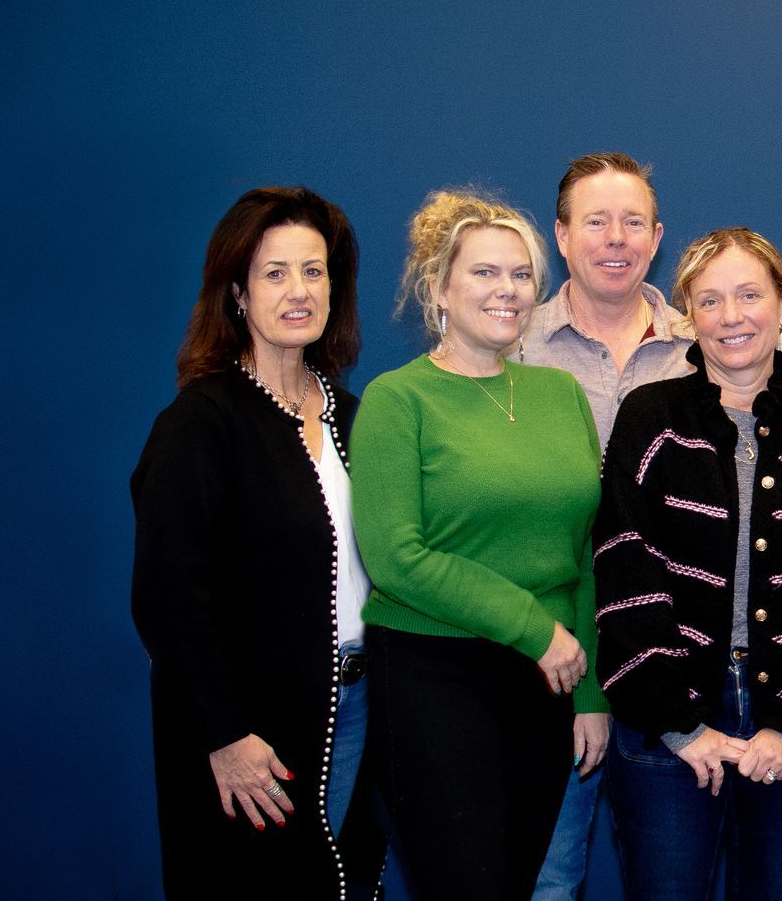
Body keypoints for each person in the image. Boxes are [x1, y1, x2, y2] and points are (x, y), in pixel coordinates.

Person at [595, 228, 782, 900]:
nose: (731, 317)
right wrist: (677, 724)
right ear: (688, 316)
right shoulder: (648, 419)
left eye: (750, 295)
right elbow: (624, 567)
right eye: (710, 300)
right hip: (668, 723)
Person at [132, 186, 384, 899]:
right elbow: (167, 596)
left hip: (362, 706)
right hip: (254, 732)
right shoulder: (201, 423)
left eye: (314, 270)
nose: (298, 291)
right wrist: (223, 734)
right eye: (275, 273)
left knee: (348, 882)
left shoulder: (358, 417)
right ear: (238, 293)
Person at [352, 190, 604, 900]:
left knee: (518, 883)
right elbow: (397, 558)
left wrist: (591, 694)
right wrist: (533, 629)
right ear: (438, 288)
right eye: (485, 273)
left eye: (521, 275)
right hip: (436, 677)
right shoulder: (397, 400)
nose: (507, 290)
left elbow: (586, 551)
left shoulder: (560, 394)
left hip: (549, 680)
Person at [523, 151, 693, 901]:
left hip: (677, 657)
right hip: (551, 659)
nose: (616, 239)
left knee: (673, 883)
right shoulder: (510, 343)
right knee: (549, 878)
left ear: (656, 237)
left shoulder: (709, 344)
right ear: (562, 236)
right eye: (596, 222)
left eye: (633, 222)